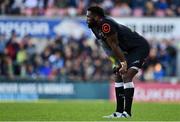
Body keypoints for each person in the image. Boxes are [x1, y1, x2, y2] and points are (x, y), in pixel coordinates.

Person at [86, 6, 150, 118]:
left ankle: (127, 113)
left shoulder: (105, 24)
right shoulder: (94, 27)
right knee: (117, 75)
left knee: (126, 75)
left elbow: (114, 45)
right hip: (126, 50)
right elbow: (106, 47)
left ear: (96, 17)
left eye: (88, 16)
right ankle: (119, 112)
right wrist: (115, 62)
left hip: (138, 47)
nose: (86, 18)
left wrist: (123, 63)